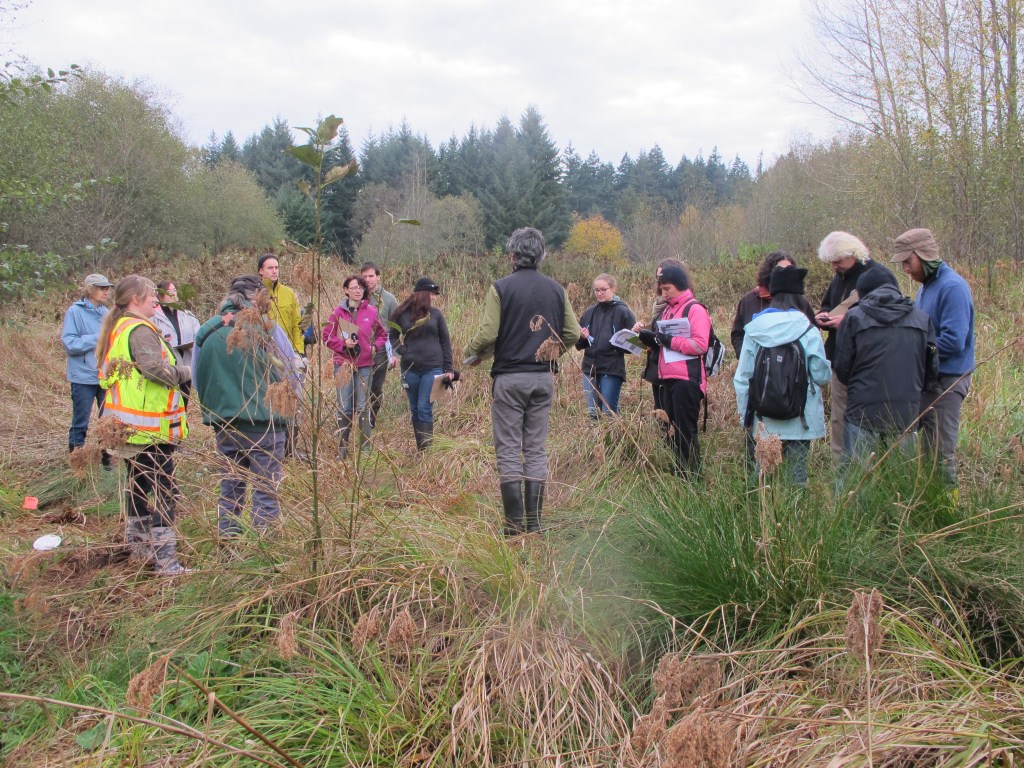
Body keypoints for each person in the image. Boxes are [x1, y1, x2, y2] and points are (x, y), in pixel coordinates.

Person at [464, 227, 580, 536]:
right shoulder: (557, 289)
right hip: (543, 378)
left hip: (510, 379)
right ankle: (536, 524)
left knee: (509, 449)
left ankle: (514, 527)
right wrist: (552, 352)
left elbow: (488, 334)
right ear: (541, 256)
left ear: (513, 256)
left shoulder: (500, 287)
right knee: (536, 448)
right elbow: (574, 334)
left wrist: (472, 352)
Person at [95, 275, 191, 576]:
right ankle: (166, 561)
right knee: (165, 490)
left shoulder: (120, 327)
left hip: (130, 427)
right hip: (148, 429)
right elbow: (154, 370)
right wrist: (184, 372)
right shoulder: (139, 329)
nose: (156, 300)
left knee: (137, 484)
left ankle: (138, 548)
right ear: (135, 298)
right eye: (151, 295)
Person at [194, 275, 299, 538]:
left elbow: (197, 378)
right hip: (266, 425)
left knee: (230, 491)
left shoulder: (206, 330)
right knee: (266, 491)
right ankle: (266, 554)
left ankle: (229, 549)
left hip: (224, 424)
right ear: (255, 299)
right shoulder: (269, 328)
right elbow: (291, 372)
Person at [890, 227, 975, 488]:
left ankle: (948, 518)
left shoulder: (951, 287)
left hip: (947, 382)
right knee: (927, 455)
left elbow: (953, 341)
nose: (905, 268)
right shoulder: (927, 286)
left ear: (923, 255)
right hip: (930, 381)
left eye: (908, 261)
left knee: (941, 456)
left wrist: (910, 350)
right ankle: (929, 509)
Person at [833, 268, 936, 478]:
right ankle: (897, 513)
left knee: (853, 482)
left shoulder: (854, 317)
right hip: (905, 415)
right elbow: (931, 371)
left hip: (862, 412)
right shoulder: (922, 319)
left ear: (863, 293)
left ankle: (853, 513)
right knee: (901, 482)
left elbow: (842, 369)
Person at [734, 266, 831, 485]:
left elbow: (743, 378)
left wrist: (746, 418)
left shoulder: (754, 330)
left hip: (764, 419)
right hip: (801, 418)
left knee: (763, 475)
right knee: (797, 477)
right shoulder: (808, 330)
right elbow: (820, 376)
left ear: (773, 292)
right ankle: (795, 518)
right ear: (799, 295)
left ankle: (759, 516)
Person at [815, 231, 898, 456]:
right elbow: (828, 305)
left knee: (872, 420)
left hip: (870, 363)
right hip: (840, 360)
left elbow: (892, 318)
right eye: (831, 262)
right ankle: (840, 471)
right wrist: (824, 317)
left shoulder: (879, 276)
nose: (834, 266)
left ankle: (875, 468)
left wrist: (850, 321)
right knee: (839, 417)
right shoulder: (839, 277)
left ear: (852, 253)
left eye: (838, 261)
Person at [637, 265, 711, 476]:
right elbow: (664, 344)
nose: (663, 293)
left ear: (680, 286)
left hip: (687, 379)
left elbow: (699, 345)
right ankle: (679, 472)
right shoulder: (667, 310)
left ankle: (692, 478)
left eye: (667, 288)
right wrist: (650, 340)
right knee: (671, 432)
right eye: (661, 289)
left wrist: (665, 339)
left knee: (686, 431)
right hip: (666, 378)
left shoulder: (695, 309)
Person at [323, 275, 387, 459]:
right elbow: (326, 336)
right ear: (346, 290)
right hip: (342, 365)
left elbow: (383, 334)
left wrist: (375, 347)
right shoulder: (337, 313)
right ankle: (342, 449)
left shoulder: (372, 312)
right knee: (344, 407)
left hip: (365, 365)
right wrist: (343, 344)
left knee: (363, 406)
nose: (358, 290)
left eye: (360, 287)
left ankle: (365, 448)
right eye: (354, 287)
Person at [389, 277, 455, 451]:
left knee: (424, 407)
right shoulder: (401, 313)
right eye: (432, 294)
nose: (434, 297)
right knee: (415, 408)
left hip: (433, 368)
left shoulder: (436, 315)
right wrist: (402, 350)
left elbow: (445, 342)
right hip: (410, 369)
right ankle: (421, 449)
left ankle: (426, 453)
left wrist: (448, 368)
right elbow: (393, 335)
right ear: (424, 294)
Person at [258, 253, 304, 456]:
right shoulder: (257, 295)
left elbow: (297, 324)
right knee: (270, 401)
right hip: (267, 357)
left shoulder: (288, 293)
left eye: (276, 267)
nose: (274, 271)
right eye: (270, 268)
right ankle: (270, 446)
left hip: (291, 356)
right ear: (261, 271)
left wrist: (299, 352)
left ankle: (290, 448)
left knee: (295, 401)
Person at [62, 273, 112, 456]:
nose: (106, 291)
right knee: (81, 421)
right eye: (101, 288)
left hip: (105, 375)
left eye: (107, 288)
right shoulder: (74, 311)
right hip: (83, 376)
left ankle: (107, 462)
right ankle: (76, 461)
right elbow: (70, 343)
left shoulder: (107, 313)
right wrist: (98, 338)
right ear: (90, 289)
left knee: (107, 422)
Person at [730, 251, 815, 358]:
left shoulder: (800, 301)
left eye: (789, 269)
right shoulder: (748, 301)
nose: (785, 274)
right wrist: (747, 358)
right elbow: (738, 334)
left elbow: (811, 333)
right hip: (756, 369)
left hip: (794, 369)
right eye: (780, 270)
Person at [575, 273, 636, 417]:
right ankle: (595, 440)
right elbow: (579, 344)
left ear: (613, 289)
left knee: (608, 413)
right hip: (589, 368)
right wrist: (582, 337)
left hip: (612, 368)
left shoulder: (623, 312)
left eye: (603, 289)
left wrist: (617, 344)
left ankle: (613, 440)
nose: (599, 293)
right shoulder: (589, 313)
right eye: (596, 290)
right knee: (592, 413)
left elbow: (634, 344)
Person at [634, 257, 687, 419]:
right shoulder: (659, 304)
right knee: (660, 410)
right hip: (656, 364)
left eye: (663, 279)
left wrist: (656, 338)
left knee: (675, 415)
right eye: (658, 278)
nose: (660, 283)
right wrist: (643, 332)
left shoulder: (686, 305)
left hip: (677, 368)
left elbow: (682, 337)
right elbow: (658, 329)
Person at [361, 262, 399, 429]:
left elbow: (396, 328)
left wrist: (396, 354)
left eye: (371, 276)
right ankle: (359, 421)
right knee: (359, 387)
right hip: (359, 351)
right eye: (364, 276)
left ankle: (371, 422)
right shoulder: (356, 295)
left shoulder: (389, 299)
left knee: (376, 388)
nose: (368, 280)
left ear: (378, 277)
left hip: (381, 351)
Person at [151, 280, 200, 406]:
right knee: (172, 398)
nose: (173, 294)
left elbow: (198, 334)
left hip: (187, 360)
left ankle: (183, 420)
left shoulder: (187, 315)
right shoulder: (154, 316)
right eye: (169, 292)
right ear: (160, 296)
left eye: (174, 290)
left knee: (185, 397)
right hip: (169, 363)